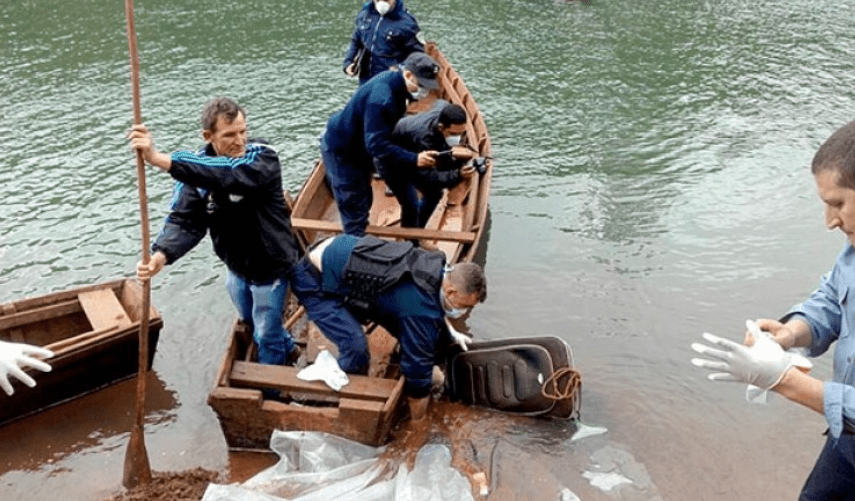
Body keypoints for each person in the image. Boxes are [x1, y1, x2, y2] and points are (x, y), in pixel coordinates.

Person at [690, 120, 855, 500]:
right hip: (845, 441)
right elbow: (832, 298)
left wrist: (783, 380)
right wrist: (791, 333)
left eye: (837, 204)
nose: (830, 222)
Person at [128, 97, 302, 367]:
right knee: (248, 318)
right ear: (208, 136)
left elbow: (228, 174)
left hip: (271, 264)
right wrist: (160, 256)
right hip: (236, 265)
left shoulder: (261, 157)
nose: (240, 141)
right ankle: (288, 348)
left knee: (266, 331)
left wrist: (159, 159)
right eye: (230, 134)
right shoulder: (196, 171)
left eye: (243, 131)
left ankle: (271, 386)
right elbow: (185, 220)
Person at [289, 234, 487, 422]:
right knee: (356, 348)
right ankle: (352, 401)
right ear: (451, 291)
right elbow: (417, 373)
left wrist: (450, 335)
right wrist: (419, 422)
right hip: (313, 282)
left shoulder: (437, 265)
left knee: (408, 326)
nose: (464, 310)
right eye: (465, 306)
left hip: (338, 257)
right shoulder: (418, 307)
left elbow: (432, 312)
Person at [322, 51, 441, 236]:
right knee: (354, 207)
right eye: (421, 84)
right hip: (342, 151)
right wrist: (414, 158)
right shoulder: (382, 98)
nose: (424, 91)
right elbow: (376, 145)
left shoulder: (396, 84)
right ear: (408, 75)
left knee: (365, 197)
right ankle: (353, 252)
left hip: (361, 147)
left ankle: (376, 235)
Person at [381, 101, 478, 228]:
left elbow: (441, 102)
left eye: (461, 133)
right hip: (391, 158)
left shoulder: (443, 110)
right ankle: (412, 235)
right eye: (454, 134)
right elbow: (428, 177)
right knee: (427, 195)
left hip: (411, 141)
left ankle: (416, 229)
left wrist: (455, 161)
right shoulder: (423, 138)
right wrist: (458, 174)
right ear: (441, 127)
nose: (458, 138)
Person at [343, 0, 424, 86]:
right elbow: (356, 41)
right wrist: (348, 62)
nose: (381, 2)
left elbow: (418, 54)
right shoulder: (365, 14)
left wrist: (400, 69)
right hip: (365, 80)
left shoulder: (407, 22)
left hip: (390, 83)